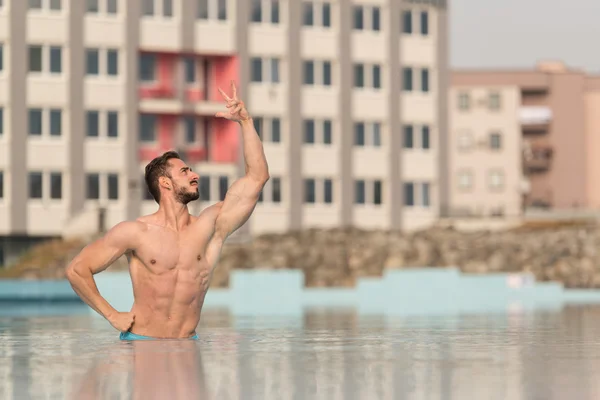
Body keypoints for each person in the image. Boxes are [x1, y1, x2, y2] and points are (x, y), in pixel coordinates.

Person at [66, 81, 269, 340]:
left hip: (187, 346)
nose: (194, 175)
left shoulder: (210, 226)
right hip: (142, 345)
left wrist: (246, 122)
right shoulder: (135, 232)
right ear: (165, 183)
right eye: (185, 171)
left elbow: (257, 178)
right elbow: (77, 270)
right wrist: (111, 314)